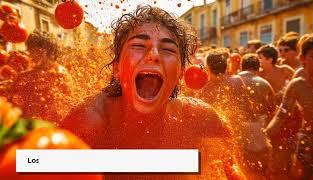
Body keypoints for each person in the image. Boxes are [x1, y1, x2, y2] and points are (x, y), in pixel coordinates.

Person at [61, 6, 245, 179]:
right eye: (139, 46)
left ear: (180, 73)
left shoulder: (202, 120)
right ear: (117, 68)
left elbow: (233, 173)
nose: (154, 54)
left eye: (167, 49)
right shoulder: (85, 124)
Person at [265, 32, 313, 179]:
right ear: (303, 59)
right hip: (307, 146)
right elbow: (281, 115)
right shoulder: (297, 86)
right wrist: (265, 136)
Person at [6, 30, 74, 124]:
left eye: (33, 49)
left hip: (53, 131)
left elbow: (67, 107)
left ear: (46, 51)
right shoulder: (24, 76)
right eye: (30, 49)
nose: (30, 53)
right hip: (31, 130)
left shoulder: (61, 75)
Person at [238, 53, 275, 178]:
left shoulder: (233, 80)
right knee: (259, 167)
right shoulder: (264, 83)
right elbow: (272, 109)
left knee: (241, 166)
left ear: (242, 66)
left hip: (238, 125)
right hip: (258, 126)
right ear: (258, 67)